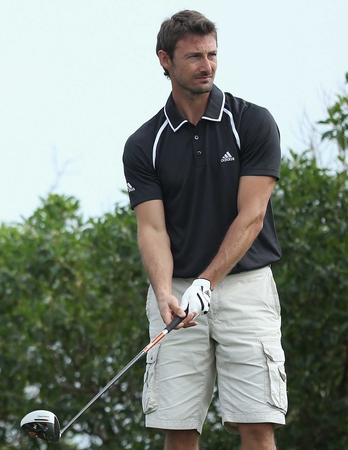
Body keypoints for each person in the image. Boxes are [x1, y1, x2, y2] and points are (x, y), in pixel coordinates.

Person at [122, 10, 287, 450]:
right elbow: (152, 229)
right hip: (174, 293)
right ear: (165, 61)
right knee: (179, 429)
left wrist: (207, 282)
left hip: (245, 288)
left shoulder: (252, 122)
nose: (207, 65)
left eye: (212, 54)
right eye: (194, 56)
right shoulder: (144, 144)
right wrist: (163, 293)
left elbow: (251, 216)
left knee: (257, 422)